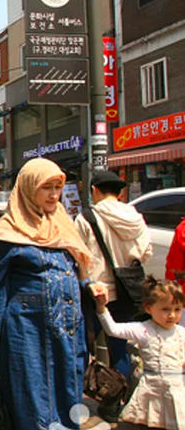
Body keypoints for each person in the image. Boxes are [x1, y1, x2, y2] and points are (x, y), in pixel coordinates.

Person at [0, 158, 92, 430]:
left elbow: (76, 270)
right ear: (28, 188)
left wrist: (89, 285)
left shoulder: (62, 224)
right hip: (27, 333)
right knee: (32, 401)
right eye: (46, 188)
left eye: (57, 187)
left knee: (68, 396)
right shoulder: (7, 232)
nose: (54, 195)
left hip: (67, 331)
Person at [74, 169, 152, 420]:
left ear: (94, 190)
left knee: (82, 349)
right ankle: (114, 404)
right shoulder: (136, 217)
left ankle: (74, 404)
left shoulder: (87, 217)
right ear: (119, 193)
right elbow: (146, 253)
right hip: (127, 292)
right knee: (119, 348)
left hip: (95, 292)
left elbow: (78, 255)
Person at [92, 277, 185, 429]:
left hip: (177, 391)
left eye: (177, 309)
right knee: (149, 424)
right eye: (165, 309)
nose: (172, 315)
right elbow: (113, 330)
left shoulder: (181, 332)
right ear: (148, 308)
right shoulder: (143, 329)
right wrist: (101, 307)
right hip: (152, 390)